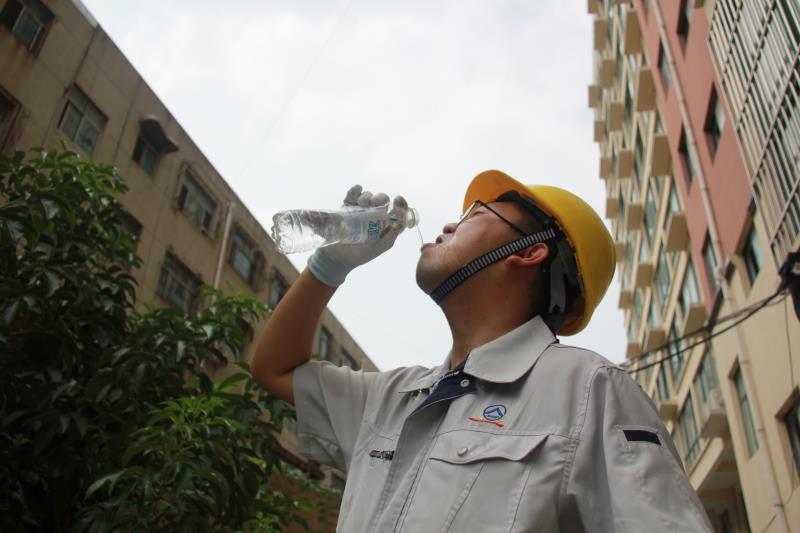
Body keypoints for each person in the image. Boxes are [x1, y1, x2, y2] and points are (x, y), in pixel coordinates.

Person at [252, 170, 713, 532]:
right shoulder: (393, 397)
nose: (450, 223)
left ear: (529, 252)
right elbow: (274, 369)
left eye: (476, 214)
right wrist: (327, 267)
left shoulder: (587, 389)